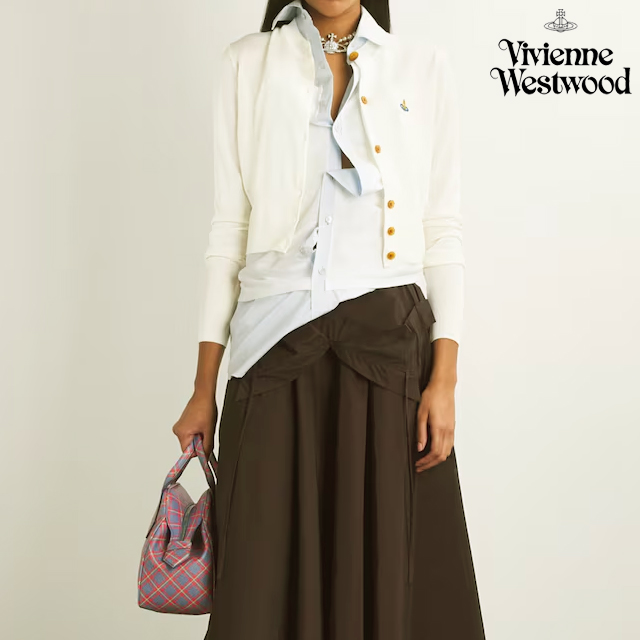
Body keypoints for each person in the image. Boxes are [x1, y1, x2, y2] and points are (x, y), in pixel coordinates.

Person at [173, 1, 486, 637]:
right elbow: (229, 231)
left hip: (390, 350)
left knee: (390, 575)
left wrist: (445, 379)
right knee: (262, 578)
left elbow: (441, 229)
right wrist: (203, 388)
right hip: (273, 347)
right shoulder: (247, 64)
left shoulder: (423, 66)